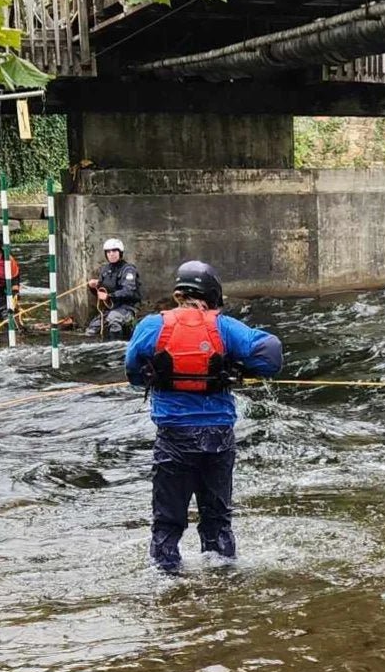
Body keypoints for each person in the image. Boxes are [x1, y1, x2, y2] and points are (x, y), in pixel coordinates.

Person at [125, 261, 282, 573]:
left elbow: (133, 373)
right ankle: (223, 586)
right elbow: (272, 354)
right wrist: (237, 370)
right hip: (219, 438)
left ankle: (168, 587)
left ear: (179, 293)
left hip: (173, 438)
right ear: (212, 295)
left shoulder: (152, 326)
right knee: (217, 522)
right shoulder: (224, 327)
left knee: (167, 524)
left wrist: (158, 377)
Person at [85, 238, 141, 340]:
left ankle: (116, 349)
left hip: (127, 307)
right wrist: (94, 287)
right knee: (91, 330)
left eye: (114, 251)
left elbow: (129, 291)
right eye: (108, 252)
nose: (111, 254)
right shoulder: (105, 270)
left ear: (120, 252)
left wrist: (110, 296)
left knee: (114, 320)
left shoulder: (128, 270)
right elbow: (101, 292)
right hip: (110, 308)